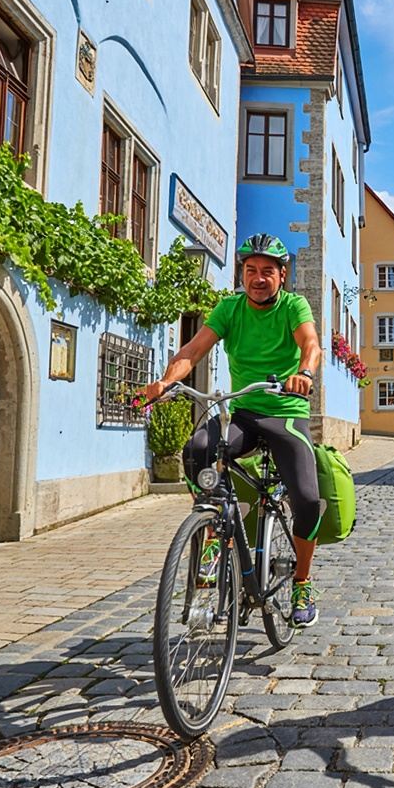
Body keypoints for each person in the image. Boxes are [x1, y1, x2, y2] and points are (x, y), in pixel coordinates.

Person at [136, 234, 325, 627]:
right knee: (199, 448)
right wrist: (166, 382)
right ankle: (215, 530)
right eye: (251, 271)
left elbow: (311, 344)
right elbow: (192, 350)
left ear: (282, 276)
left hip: (285, 412)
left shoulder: (293, 306)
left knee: (307, 499)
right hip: (243, 412)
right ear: (242, 273)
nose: (258, 278)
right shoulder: (230, 308)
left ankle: (303, 581)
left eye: (267, 271)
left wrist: (304, 373)